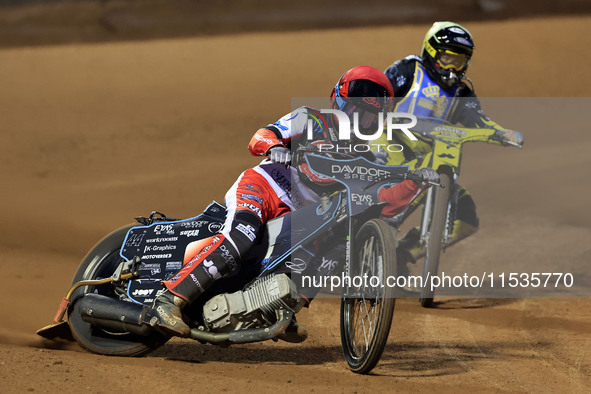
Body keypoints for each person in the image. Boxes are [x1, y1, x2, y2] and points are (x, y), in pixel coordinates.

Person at [151, 66, 438, 339]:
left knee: (337, 245)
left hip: (302, 217)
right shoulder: (311, 118)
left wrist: (416, 182)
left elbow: (385, 202)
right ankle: (169, 299)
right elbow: (262, 136)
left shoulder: (371, 158)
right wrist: (275, 148)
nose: (359, 121)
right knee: (242, 234)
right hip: (267, 185)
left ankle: (280, 308)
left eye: (369, 118)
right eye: (355, 110)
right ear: (338, 102)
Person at [375, 21, 524, 267]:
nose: (453, 67)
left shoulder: (462, 93)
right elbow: (377, 94)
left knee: (466, 219)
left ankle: (401, 253)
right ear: (431, 52)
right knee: (378, 203)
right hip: (391, 146)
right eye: (447, 58)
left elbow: (478, 120)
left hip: (433, 159)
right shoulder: (408, 69)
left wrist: (501, 133)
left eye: (460, 60)